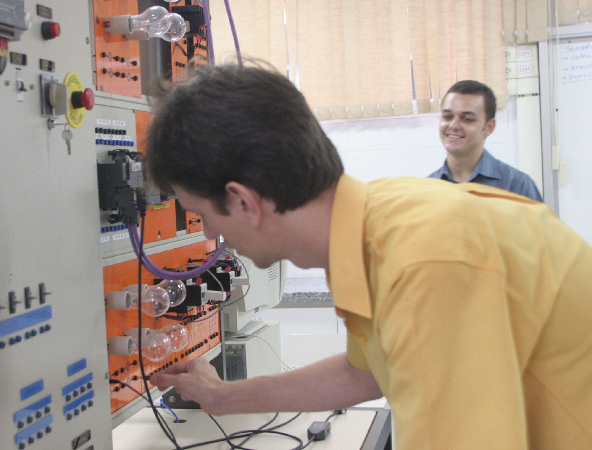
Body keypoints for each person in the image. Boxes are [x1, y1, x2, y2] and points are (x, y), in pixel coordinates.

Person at [144, 63, 592, 449]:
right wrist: (225, 397)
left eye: (202, 214)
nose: (209, 233)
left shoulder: (420, 261)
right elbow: (366, 373)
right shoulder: (371, 228)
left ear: (244, 202)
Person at [429, 80, 543, 201]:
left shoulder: (517, 186)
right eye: (447, 117)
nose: (453, 125)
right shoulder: (428, 190)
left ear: (489, 127)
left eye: (467, 119)